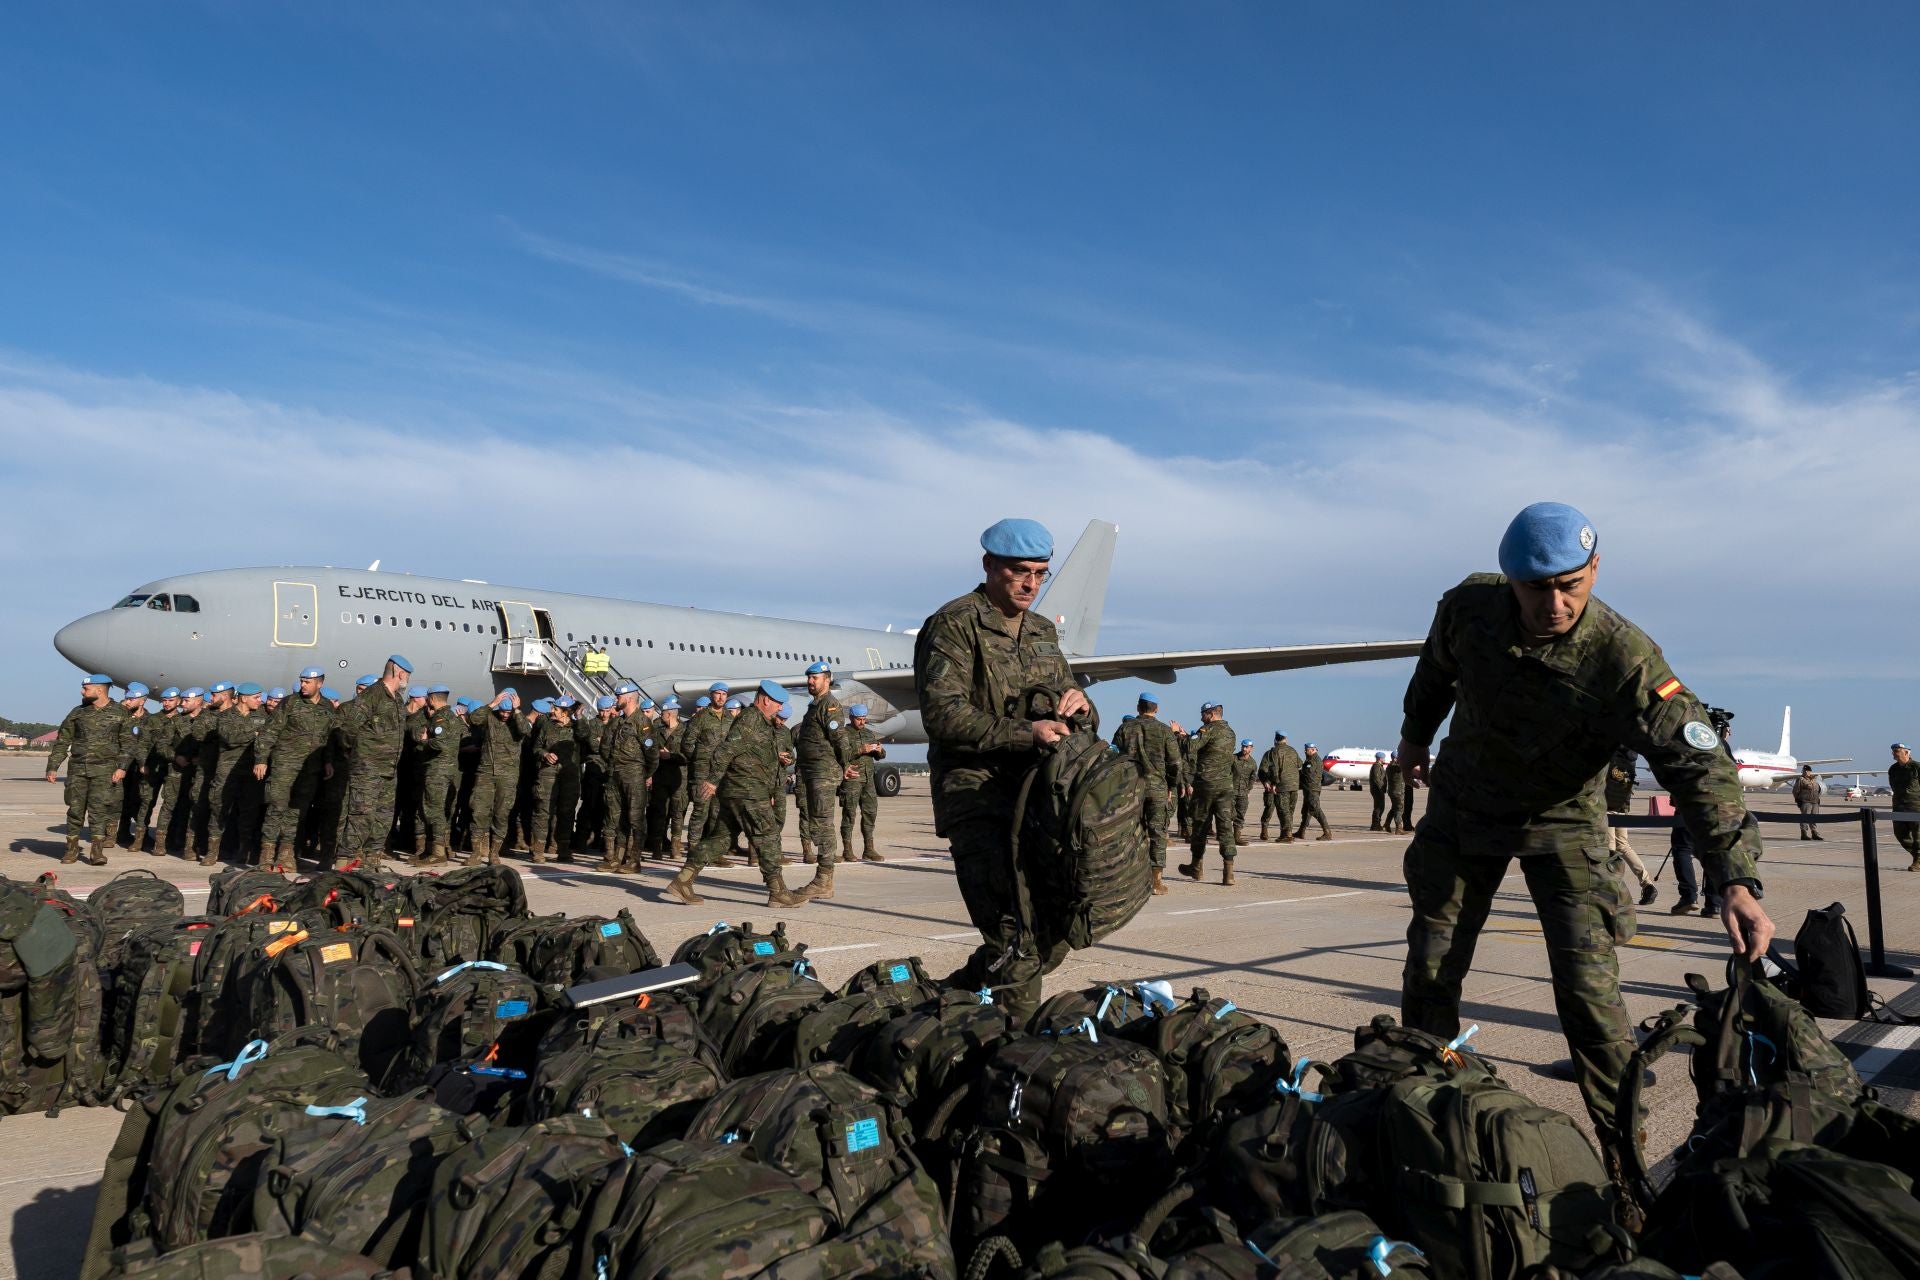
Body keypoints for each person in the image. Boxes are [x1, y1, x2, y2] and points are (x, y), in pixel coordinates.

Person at [1397, 501, 1773, 1147]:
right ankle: (1422, 1125)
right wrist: (1413, 738)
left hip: (1563, 825)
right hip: (1466, 810)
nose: (1553, 605)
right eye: (1535, 588)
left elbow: (1698, 763)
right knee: (1432, 969)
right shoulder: (1469, 607)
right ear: (1508, 578)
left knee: (1590, 994)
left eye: (1569, 585)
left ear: (1594, 569)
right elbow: (1434, 672)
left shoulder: (1624, 660)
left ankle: (1624, 1150)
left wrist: (1734, 879)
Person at [914, 517, 1084, 1019]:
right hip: (978, 796)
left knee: (1054, 932)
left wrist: (1080, 705)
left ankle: (944, 1001)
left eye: (1041, 573)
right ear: (990, 565)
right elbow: (942, 713)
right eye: (1020, 571)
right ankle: (1012, 1060)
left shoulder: (1039, 630)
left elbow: (1064, 693)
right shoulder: (954, 624)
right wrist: (1023, 733)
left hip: (1034, 797)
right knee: (1015, 939)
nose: (1031, 584)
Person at [666, 680, 807, 908]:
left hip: (744, 788)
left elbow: (758, 756)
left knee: (722, 839)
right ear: (765, 700)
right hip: (747, 789)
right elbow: (726, 749)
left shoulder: (762, 722)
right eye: (778, 704)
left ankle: (683, 881)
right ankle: (778, 891)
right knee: (768, 836)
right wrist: (712, 781)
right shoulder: (750, 719)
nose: (780, 708)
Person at [45, 673, 134, 865]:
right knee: (75, 810)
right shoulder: (77, 713)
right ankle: (71, 849)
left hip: (105, 770)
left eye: (86, 689)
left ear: (99, 690)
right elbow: (63, 740)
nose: (82, 691)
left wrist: (122, 767)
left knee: (99, 811)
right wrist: (53, 766)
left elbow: (127, 743)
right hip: (78, 769)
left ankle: (96, 851)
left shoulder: (120, 713)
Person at [253, 667, 334, 870]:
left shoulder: (327, 707)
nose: (303, 685)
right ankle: (266, 854)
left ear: (319, 683)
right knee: (276, 807)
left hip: (310, 770)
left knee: (297, 812)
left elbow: (329, 739)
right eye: (302, 681)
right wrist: (261, 759)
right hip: (284, 765)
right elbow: (269, 731)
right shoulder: (290, 703)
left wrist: (328, 761)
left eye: (307, 682)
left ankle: (286, 854)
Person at [794, 662, 860, 901]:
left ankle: (824, 880)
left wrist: (846, 765)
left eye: (816, 678)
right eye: (809, 678)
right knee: (816, 824)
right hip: (812, 773)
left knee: (823, 824)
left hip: (823, 773)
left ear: (828, 679)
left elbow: (839, 737)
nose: (811, 681)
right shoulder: (815, 706)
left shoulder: (830, 705)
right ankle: (822, 878)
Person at [1112, 692, 1182, 894]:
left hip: (1130, 788)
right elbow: (1176, 762)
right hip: (1157, 788)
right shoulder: (1164, 730)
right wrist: (1171, 785)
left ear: (1138, 707)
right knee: (1157, 833)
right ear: (1156, 709)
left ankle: (1129, 877)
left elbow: (1112, 756)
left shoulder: (1125, 728)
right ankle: (1156, 881)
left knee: (1130, 832)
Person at [1179, 702, 1239, 884]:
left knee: (1200, 826)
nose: (1201, 718)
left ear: (1212, 714)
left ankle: (1196, 867)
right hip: (1225, 787)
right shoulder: (1230, 732)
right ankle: (1228, 872)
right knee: (1225, 828)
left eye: (1203, 714)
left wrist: (1177, 734)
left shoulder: (1208, 729)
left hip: (1206, 786)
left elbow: (1190, 747)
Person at [411, 686, 463, 866]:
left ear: (432, 699)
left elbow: (439, 744)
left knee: (434, 811)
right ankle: (432, 850)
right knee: (435, 810)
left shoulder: (440, 718)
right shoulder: (453, 718)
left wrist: (425, 741)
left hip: (438, 771)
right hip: (447, 770)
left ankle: (438, 854)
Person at [157, 688, 209, 856]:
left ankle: (189, 845)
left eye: (187, 701)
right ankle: (160, 843)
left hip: (199, 773)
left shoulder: (210, 720)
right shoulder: (176, 721)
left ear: (199, 701)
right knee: (169, 806)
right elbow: (162, 745)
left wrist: (202, 758)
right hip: (177, 771)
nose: (182, 704)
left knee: (194, 808)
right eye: (183, 700)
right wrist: (175, 756)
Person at [1605, 747, 1658, 905]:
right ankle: (1647, 883)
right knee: (1623, 845)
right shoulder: (1631, 758)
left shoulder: (1608, 755)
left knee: (1610, 849)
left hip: (1607, 805)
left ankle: (1612, 891)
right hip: (1622, 804)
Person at [838, 703, 886, 863]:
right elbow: (840, 756)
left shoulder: (869, 734)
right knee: (849, 814)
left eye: (864, 719)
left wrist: (879, 751)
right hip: (852, 779)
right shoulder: (843, 734)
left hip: (868, 780)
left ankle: (869, 849)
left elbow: (880, 755)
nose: (862, 722)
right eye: (859, 719)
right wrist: (860, 750)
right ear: (851, 718)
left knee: (870, 813)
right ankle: (847, 849)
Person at [1258, 732, 1302, 843]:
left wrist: (1272, 783)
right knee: (1289, 811)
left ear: (1275, 740)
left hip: (1282, 785)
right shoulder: (1293, 750)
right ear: (1285, 739)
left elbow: (1270, 769)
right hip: (1294, 785)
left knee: (1283, 811)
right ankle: (1285, 833)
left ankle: (1287, 835)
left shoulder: (1272, 752)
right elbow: (1300, 764)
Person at [1293, 744, 1333, 841]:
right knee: (1306, 811)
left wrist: (1299, 776)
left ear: (1312, 750)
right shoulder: (1309, 760)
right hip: (1309, 789)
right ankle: (1301, 832)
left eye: (1307, 750)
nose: (1305, 751)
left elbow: (1308, 774)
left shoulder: (1314, 761)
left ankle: (1327, 832)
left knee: (1316, 810)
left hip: (1312, 789)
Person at [1891, 744, 1920, 870]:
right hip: (1899, 806)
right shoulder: (1893, 769)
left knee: (1918, 836)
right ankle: (1917, 856)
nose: (1894, 753)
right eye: (1893, 751)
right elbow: (1893, 786)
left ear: (1907, 753)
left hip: (1916, 806)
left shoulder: (1916, 767)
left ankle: (1917, 862)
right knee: (1900, 834)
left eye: (1897, 751)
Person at [1232, 738, 1258, 845]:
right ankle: (1224, 835)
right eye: (1243, 746)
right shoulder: (1234, 758)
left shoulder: (1252, 763)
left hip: (1243, 793)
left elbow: (1253, 777)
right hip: (1231, 791)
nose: (1244, 748)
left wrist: (1248, 788)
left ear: (1251, 748)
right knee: (1228, 813)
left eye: (1246, 747)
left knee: (1240, 815)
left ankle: (1236, 837)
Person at [1791, 763, 1823, 842]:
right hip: (1806, 802)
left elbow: (1817, 790)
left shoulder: (1814, 780)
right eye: (1804, 771)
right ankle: (1804, 834)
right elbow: (1795, 791)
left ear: (1810, 772)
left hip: (1815, 802)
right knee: (1804, 817)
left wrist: (1818, 799)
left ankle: (1814, 833)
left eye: (1808, 771)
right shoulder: (1801, 780)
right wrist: (1798, 800)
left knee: (1814, 817)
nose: (1806, 772)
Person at [1384, 751, 1407, 835]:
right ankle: (1399, 828)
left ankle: (1387, 824)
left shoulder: (1389, 767)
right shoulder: (1396, 767)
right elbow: (1404, 767)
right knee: (1399, 809)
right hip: (1398, 791)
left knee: (1394, 808)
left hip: (1392, 791)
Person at [1368, 751, 1391, 831]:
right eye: (1384, 758)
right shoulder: (1376, 766)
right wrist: (1381, 788)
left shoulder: (1379, 766)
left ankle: (1377, 824)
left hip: (1379, 790)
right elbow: (1377, 779)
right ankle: (1375, 825)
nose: (1384, 759)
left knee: (1381, 807)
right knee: (1378, 807)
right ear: (1380, 758)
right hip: (1377, 790)